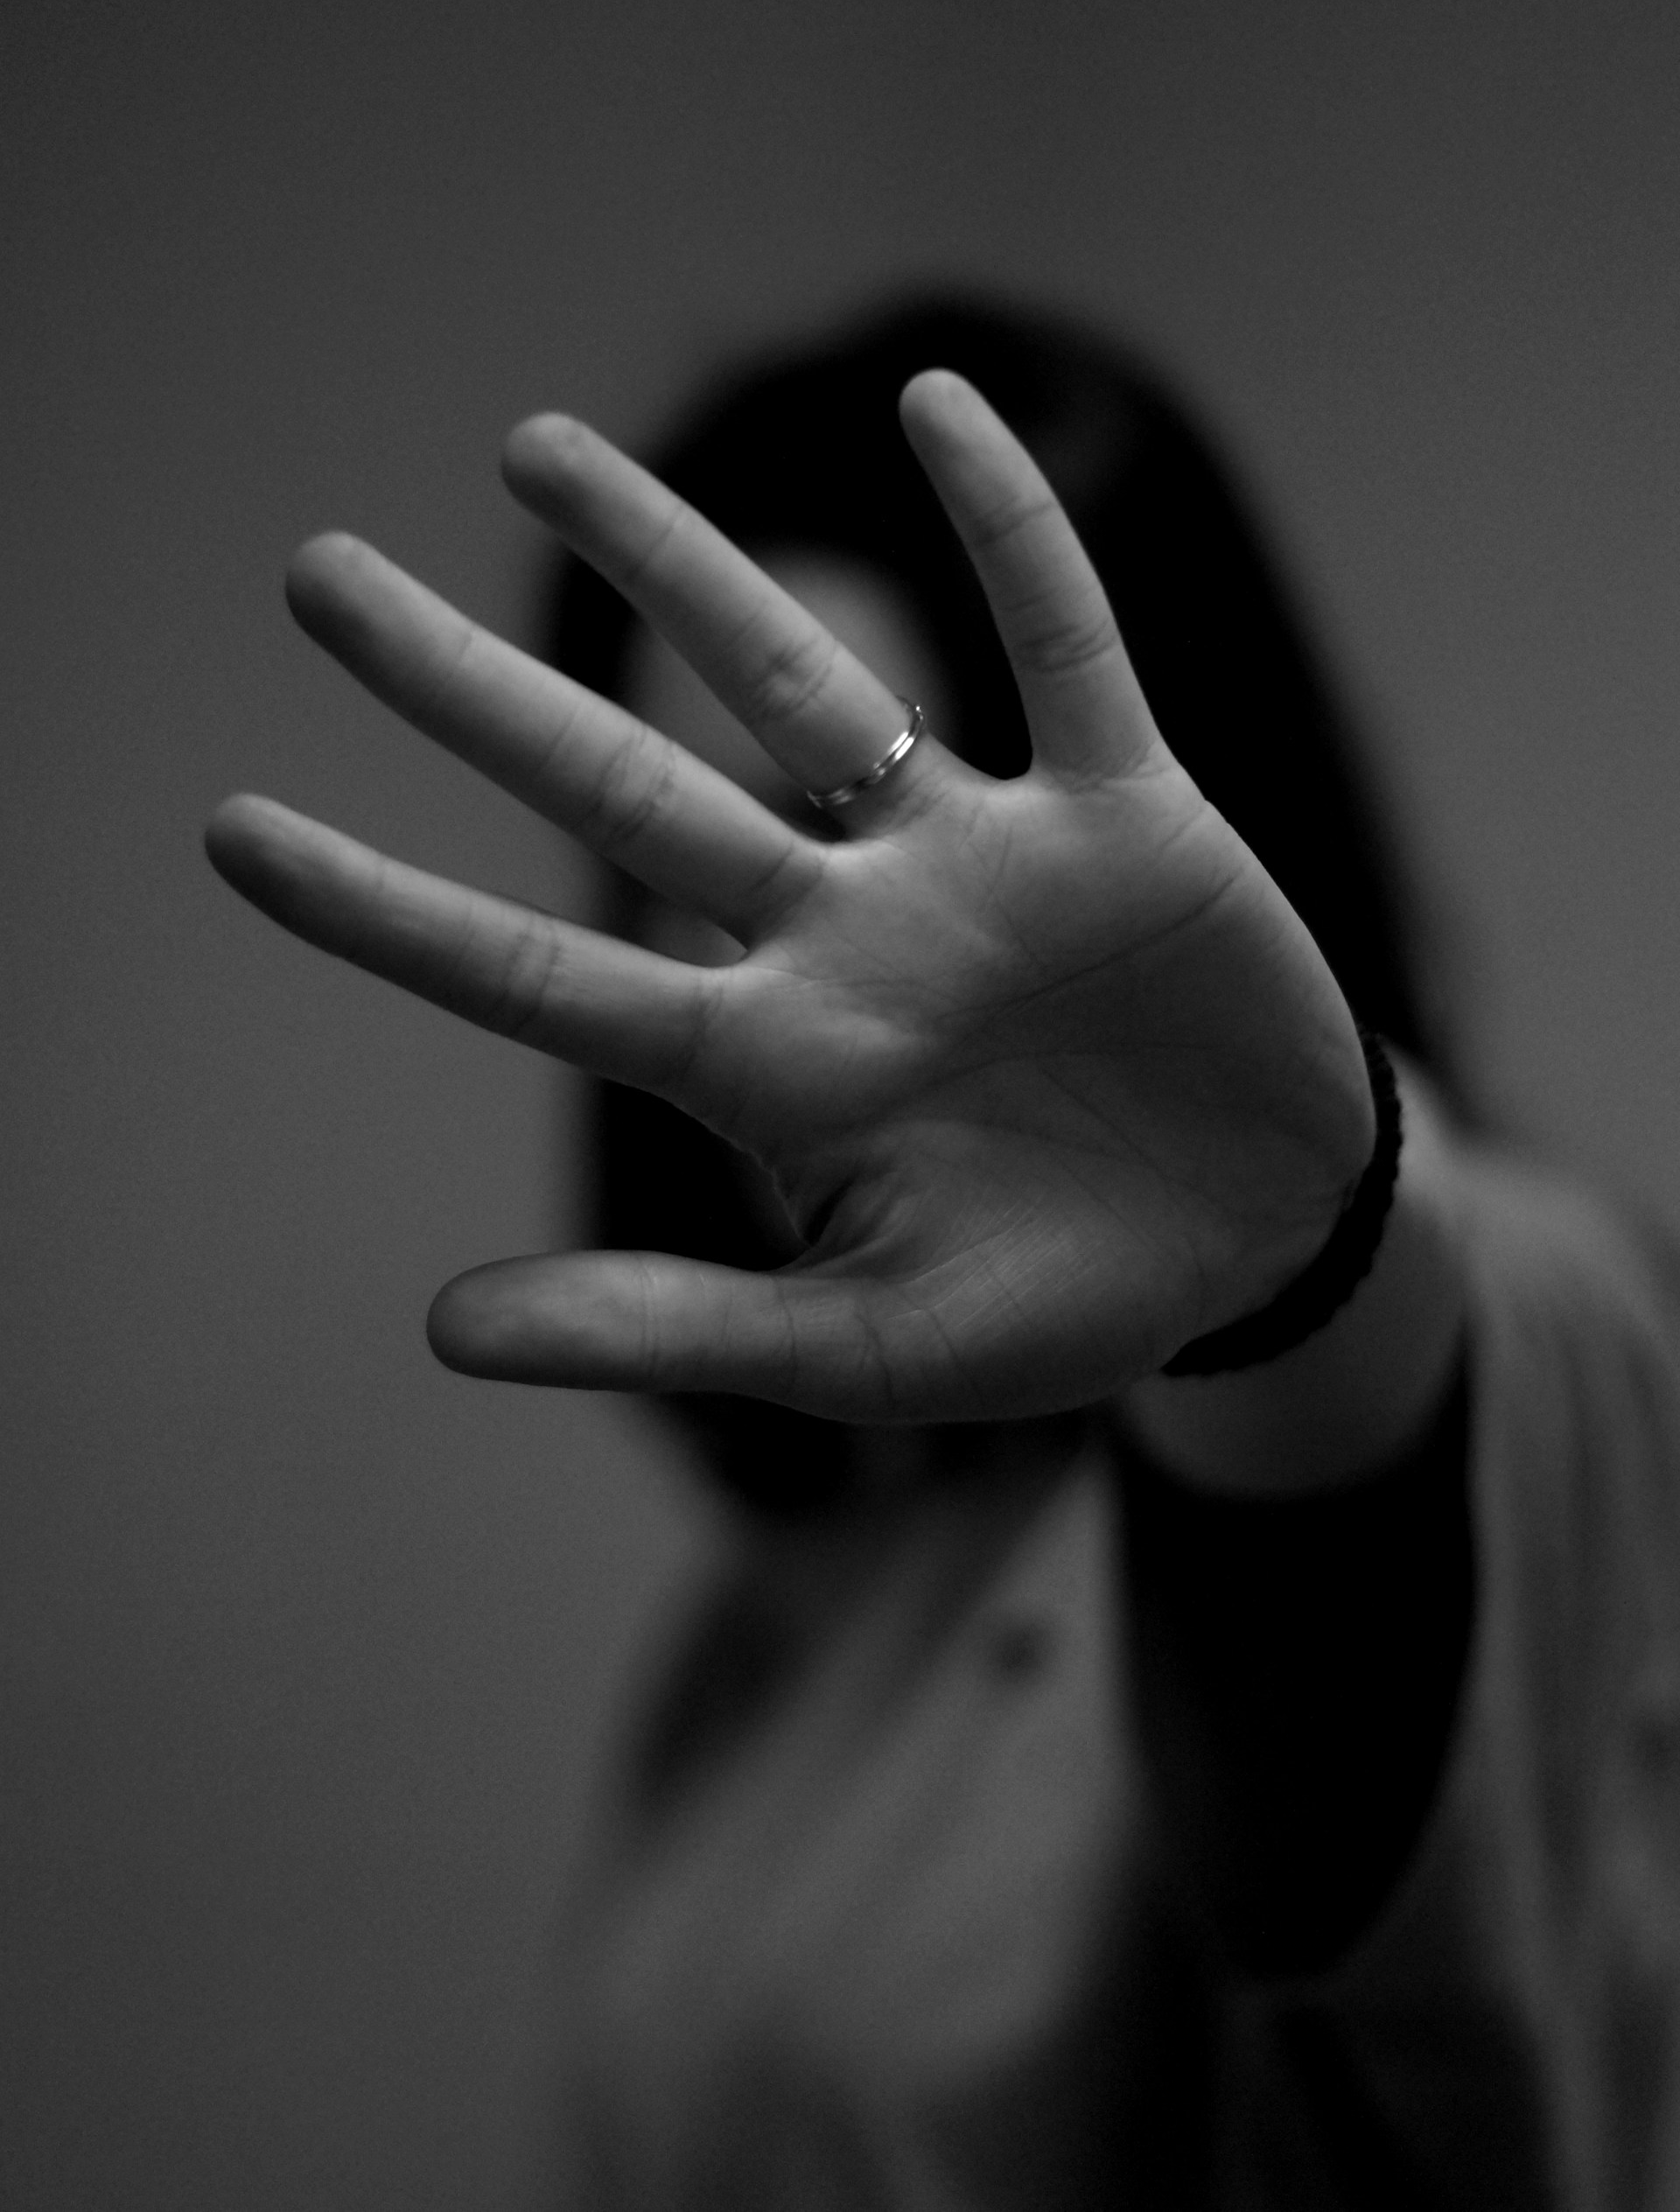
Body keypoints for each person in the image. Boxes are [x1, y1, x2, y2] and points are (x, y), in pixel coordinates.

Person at [206, 294, 1680, 2208]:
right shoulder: (824, 1575)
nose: (775, 972)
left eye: (849, 821)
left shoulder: (1505, 1312)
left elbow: (1357, 1525)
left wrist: (1301, 1267)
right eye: (692, 853)